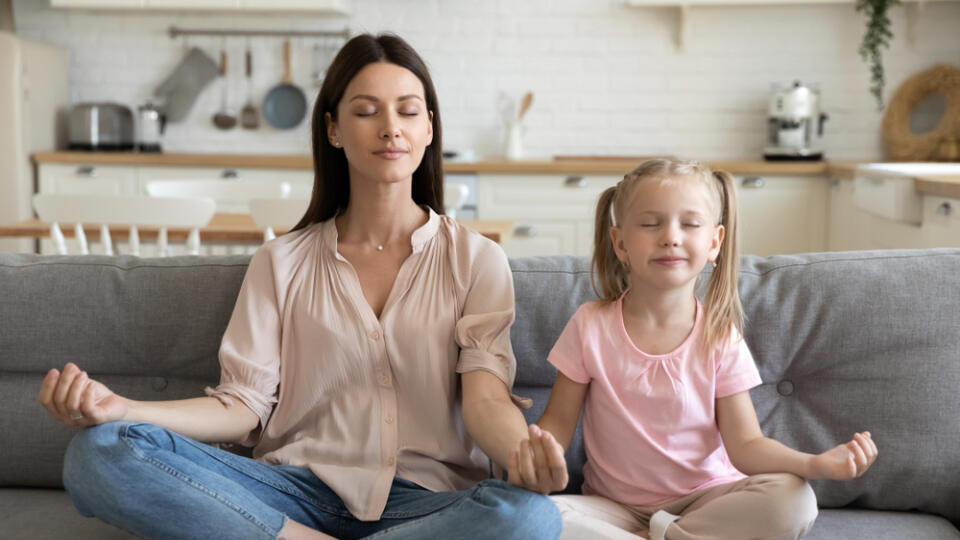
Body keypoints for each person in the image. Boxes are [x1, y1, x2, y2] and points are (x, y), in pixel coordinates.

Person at [37, 33, 561, 540]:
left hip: (427, 501)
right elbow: (241, 405)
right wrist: (121, 408)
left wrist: (526, 456)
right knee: (99, 451)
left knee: (530, 518)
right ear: (333, 129)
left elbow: (485, 402)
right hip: (289, 492)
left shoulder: (477, 260)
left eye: (407, 110)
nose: (390, 128)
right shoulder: (280, 262)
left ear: (428, 128)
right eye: (365, 110)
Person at [510, 158, 878, 540]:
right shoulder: (589, 324)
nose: (670, 236)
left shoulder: (720, 334)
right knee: (541, 516)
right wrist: (532, 460)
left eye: (690, 224)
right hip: (613, 508)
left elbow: (746, 445)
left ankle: (666, 534)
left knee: (794, 499)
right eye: (651, 224)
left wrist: (816, 464)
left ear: (714, 243)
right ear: (620, 243)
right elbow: (554, 427)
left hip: (707, 502)